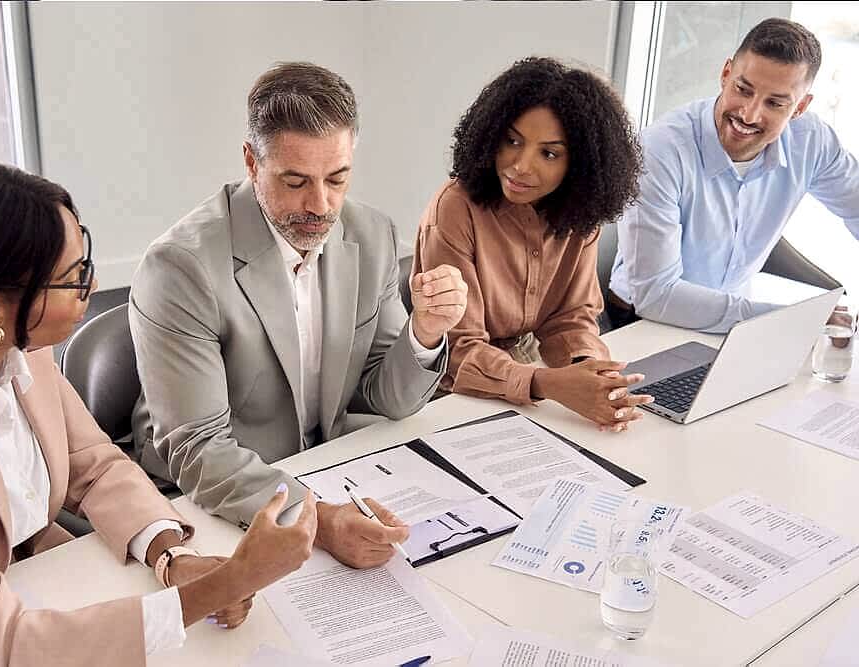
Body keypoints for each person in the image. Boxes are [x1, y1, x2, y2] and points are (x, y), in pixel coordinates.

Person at [0, 162, 318, 666]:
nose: (92, 285)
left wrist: (173, 558)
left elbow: (94, 464)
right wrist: (225, 584)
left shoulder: (11, 341)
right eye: (71, 277)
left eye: (86, 259)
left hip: (30, 579)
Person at [129, 61, 468, 569]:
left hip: (325, 466)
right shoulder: (180, 267)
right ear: (250, 161)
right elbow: (198, 451)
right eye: (294, 181)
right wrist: (320, 520)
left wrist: (425, 332)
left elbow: (385, 398)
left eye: (338, 178)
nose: (320, 205)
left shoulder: (371, 234)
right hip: (212, 500)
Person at [413, 57, 652, 431]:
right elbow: (456, 351)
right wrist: (549, 384)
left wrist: (587, 373)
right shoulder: (456, 207)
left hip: (527, 379)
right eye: (512, 141)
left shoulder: (579, 213)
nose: (521, 166)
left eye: (549, 153)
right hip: (450, 396)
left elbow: (570, 318)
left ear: (580, 164)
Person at [609, 17, 859, 333]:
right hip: (644, 320)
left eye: (775, 103)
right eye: (743, 89)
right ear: (726, 73)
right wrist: (788, 322)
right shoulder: (660, 150)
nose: (749, 114)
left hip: (734, 320)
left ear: (799, 108)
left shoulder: (811, 141)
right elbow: (656, 295)